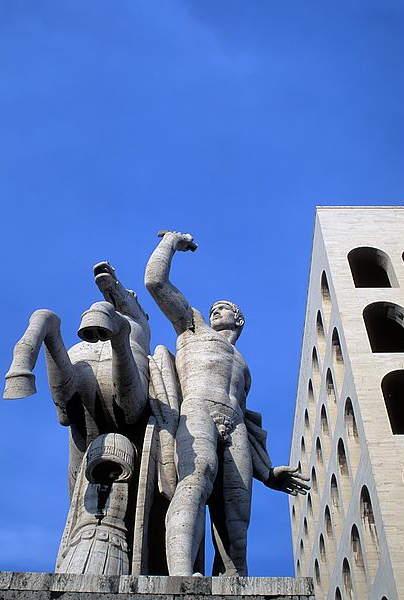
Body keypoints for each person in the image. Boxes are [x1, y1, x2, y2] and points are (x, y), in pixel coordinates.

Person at [144, 231, 309, 576]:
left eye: (224, 308)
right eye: (213, 308)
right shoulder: (193, 328)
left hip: (234, 423)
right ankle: (180, 575)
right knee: (196, 476)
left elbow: (247, 419)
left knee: (238, 521)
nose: (215, 309)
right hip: (198, 409)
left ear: (239, 319)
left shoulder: (243, 365)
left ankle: (235, 582)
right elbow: (155, 282)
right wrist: (171, 243)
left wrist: (267, 472)